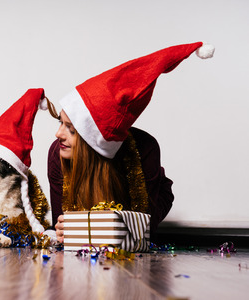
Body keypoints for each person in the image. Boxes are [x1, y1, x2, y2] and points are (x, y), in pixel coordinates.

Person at [47, 42, 214, 243]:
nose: (58, 134)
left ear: (92, 139)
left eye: (71, 129)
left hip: (151, 200)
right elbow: (63, 224)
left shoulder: (145, 149)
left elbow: (144, 230)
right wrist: (63, 230)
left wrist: (101, 230)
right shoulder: (59, 152)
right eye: (60, 122)